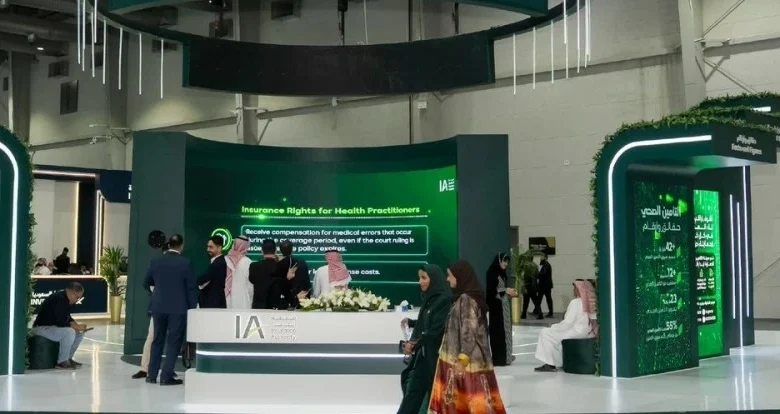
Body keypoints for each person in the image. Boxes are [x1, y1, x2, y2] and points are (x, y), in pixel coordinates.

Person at [428, 260, 506, 414]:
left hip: (468, 363)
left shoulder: (466, 299)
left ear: (460, 276)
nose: (447, 279)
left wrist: (462, 360)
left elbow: (469, 331)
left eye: (450, 275)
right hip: (470, 361)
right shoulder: (464, 298)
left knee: (472, 401)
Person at [143, 234, 197, 385]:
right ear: (181, 246)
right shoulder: (185, 263)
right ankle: (166, 376)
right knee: (173, 342)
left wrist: (156, 293)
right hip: (178, 309)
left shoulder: (156, 261)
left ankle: (151, 375)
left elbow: (146, 282)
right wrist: (192, 308)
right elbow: (191, 288)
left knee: (157, 341)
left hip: (158, 307)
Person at [397, 265, 451, 414]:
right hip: (424, 355)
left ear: (434, 278)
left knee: (428, 396)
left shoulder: (444, 300)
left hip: (435, 358)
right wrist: (412, 323)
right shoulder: (430, 298)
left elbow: (435, 329)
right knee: (413, 392)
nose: (420, 281)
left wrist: (414, 344)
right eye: (419, 278)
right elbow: (427, 321)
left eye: (424, 278)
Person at [533, 279, 596, 372]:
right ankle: (557, 362)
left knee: (545, 332)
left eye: (575, 288)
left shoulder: (575, 302)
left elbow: (567, 324)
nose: (573, 290)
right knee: (555, 335)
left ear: (580, 289)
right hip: (586, 333)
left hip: (575, 333)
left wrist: (553, 327)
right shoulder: (591, 302)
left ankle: (550, 364)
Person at [30, 282, 88, 369]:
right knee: (69, 332)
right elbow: (61, 322)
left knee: (79, 333)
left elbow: (67, 318)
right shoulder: (59, 299)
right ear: (72, 293)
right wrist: (76, 327)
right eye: (77, 297)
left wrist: (78, 327)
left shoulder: (65, 300)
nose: (77, 300)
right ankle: (62, 362)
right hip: (41, 328)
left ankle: (68, 358)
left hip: (52, 328)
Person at [486, 252, 518, 366]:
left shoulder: (502, 273)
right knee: (498, 332)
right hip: (496, 308)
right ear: (499, 260)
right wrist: (506, 290)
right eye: (504, 261)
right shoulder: (491, 273)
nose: (505, 264)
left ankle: (507, 357)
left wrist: (510, 291)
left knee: (506, 331)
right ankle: (499, 358)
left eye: (507, 262)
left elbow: (502, 289)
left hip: (504, 307)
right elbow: (491, 291)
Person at [275, 240, 311, 308]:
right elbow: (306, 285)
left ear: (280, 251)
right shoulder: (301, 263)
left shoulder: (277, 265)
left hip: (283, 302)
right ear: (292, 249)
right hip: (300, 301)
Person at [198, 235, 227, 308]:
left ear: (219, 248)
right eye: (208, 247)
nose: (208, 249)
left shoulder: (218, 263)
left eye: (211, 247)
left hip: (213, 304)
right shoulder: (217, 262)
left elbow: (203, 279)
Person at [249, 239, 279, 309]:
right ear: (276, 251)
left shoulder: (254, 266)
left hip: (258, 306)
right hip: (275, 307)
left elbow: (252, 280)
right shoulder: (281, 266)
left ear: (262, 251)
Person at [225, 236, 253, 309]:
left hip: (226, 301)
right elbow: (250, 286)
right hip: (243, 301)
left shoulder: (224, 260)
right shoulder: (248, 262)